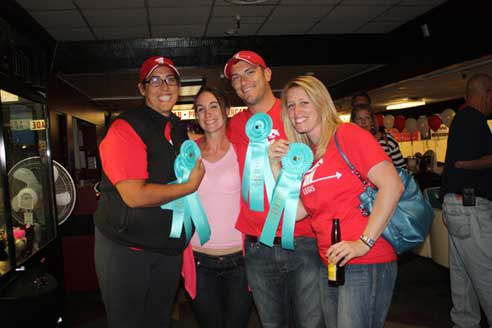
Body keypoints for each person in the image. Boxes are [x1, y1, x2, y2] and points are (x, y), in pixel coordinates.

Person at [271, 75, 403, 328]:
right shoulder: (309, 154)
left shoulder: (348, 135)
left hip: (365, 260)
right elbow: (297, 212)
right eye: (290, 105)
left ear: (321, 102)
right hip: (330, 263)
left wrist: (363, 243)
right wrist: (275, 167)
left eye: (304, 102)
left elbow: (392, 185)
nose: (296, 111)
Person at [93, 56, 205, 328]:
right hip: (127, 249)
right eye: (155, 80)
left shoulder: (178, 129)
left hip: (167, 249)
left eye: (170, 79)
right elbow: (135, 195)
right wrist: (188, 187)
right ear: (142, 89)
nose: (164, 86)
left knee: (158, 320)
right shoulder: (125, 128)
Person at [224, 51, 323, 328]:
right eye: (235, 77)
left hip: (303, 240)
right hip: (257, 245)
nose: (243, 81)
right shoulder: (235, 126)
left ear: (267, 74)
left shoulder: (296, 113)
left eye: (250, 72)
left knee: (311, 324)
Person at [186, 86, 252, 328]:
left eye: (214, 106)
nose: (208, 113)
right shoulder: (188, 154)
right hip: (199, 261)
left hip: (240, 262)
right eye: (201, 109)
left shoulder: (244, 151)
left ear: (226, 111)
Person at [440, 73, 492, 328]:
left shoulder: (462, 119)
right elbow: (461, 163)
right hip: (469, 205)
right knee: (486, 274)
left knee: (463, 279)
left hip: (458, 204)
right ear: (486, 93)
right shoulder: (474, 119)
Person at [350, 98, 407, 168]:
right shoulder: (349, 145)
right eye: (359, 119)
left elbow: (403, 170)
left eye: (367, 118)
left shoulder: (388, 140)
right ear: (354, 122)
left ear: (372, 121)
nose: (363, 122)